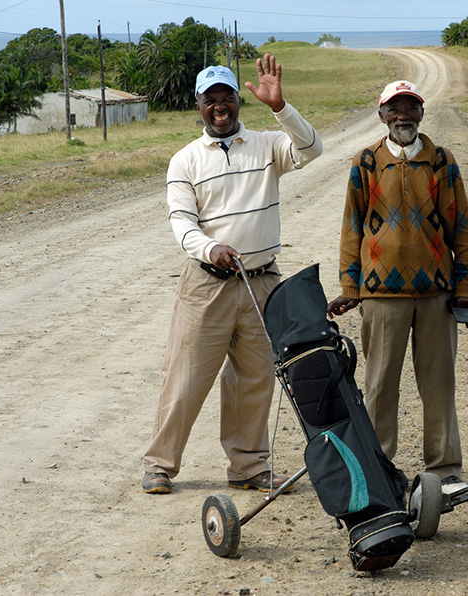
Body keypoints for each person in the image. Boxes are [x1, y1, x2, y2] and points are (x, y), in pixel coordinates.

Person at [142, 56, 323, 494]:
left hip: (262, 281)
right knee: (185, 377)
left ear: (239, 102)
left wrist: (280, 106)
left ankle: (249, 468)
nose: (219, 106)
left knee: (255, 378)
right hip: (207, 283)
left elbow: (312, 149)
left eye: (227, 98)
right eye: (211, 99)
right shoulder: (184, 161)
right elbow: (182, 223)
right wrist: (210, 247)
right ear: (198, 105)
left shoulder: (266, 145)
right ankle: (160, 465)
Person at [327, 80, 468, 494]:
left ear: (421, 114)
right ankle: (378, 472)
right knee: (379, 386)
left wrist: (467, 283)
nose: (403, 116)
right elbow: (351, 227)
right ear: (381, 115)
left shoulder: (441, 162)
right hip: (380, 297)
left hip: (436, 295)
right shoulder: (366, 162)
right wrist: (350, 285)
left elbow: (462, 226)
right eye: (394, 109)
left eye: (410, 108)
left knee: (439, 385)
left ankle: (446, 471)